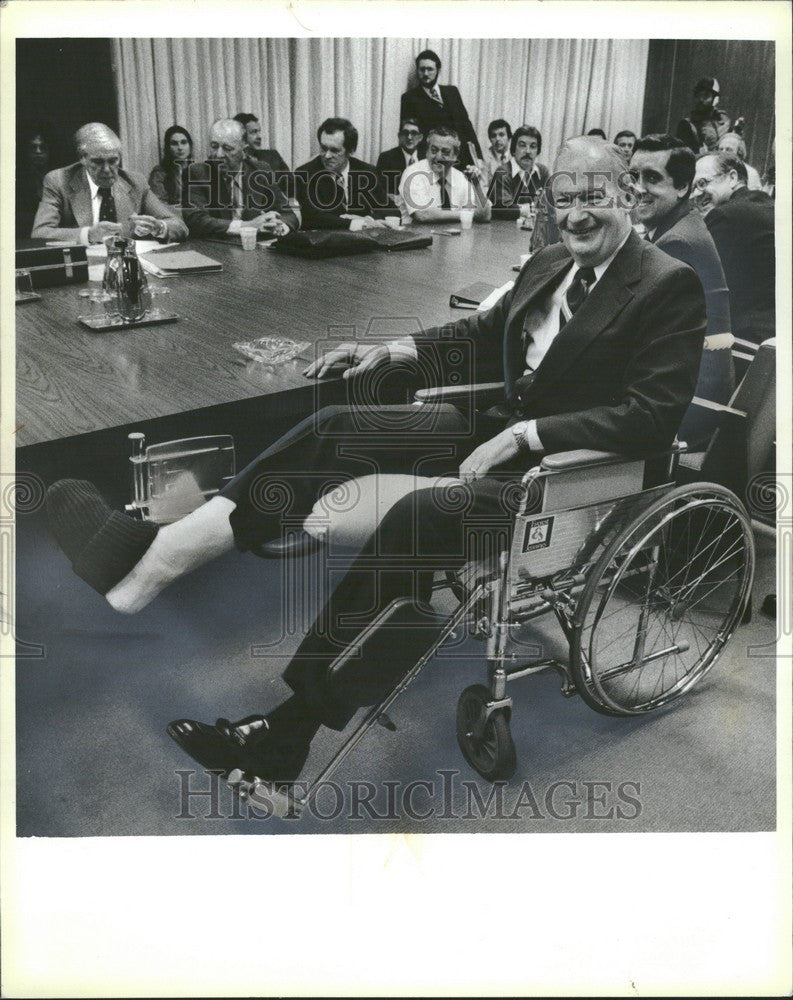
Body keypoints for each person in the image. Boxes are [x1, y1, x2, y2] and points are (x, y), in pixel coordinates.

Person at [46, 137, 706, 788]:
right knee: (339, 426)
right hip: (490, 434)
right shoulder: (551, 262)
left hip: (564, 478)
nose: (578, 214)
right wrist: (397, 351)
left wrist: (525, 436)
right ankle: (159, 556)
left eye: (593, 196)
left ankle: (290, 729)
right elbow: (478, 335)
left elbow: (652, 416)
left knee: (422, 515)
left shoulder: (666, 285)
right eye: (565, 200)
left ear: (626, 193)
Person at [630, 134, 733, 445]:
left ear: (682, 187)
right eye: (633, 176)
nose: (637, 187)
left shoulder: (677, 242)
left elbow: (634, 326)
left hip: (690, 406)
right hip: (690, 385)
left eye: (651, 178)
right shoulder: (679, 226)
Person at [31, 122, 188, 244]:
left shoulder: (135, 183)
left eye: (113, 161)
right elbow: (39, 233)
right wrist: (89, 234)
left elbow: (179, 225)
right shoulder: (59, 181)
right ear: (82, 158)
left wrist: (158, 227)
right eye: (98, 162)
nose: (107, 169)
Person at [693, 150, 775, 343]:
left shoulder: (727, 215)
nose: (696, 194)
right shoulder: (765, 204)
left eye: (703, 183)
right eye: (693, 187)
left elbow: (698, 284)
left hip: (746, 339)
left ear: (732, 177)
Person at [181, 118, 298, 238]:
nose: (219, 154)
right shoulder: (198, 173)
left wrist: (279, 227)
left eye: (227, 148)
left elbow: (289, 216)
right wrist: (249, 225)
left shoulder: (261, 171)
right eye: (214, 146)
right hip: (215, 248)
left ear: (245, 151)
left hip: (253, 248)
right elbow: (196, 220)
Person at [293, 117, 389, 230]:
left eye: (334, 150)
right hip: (323, 242)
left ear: (351, 150)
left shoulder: (367, 171)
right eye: (323, 148)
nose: (327, 156)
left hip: (363, 241)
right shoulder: (304, 174)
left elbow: (389, 209)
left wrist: (368, 219)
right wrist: (356, 223)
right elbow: (313, 217)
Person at [400, 49, 482, 168]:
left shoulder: (452, 92)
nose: (426, 73)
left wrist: (477, 157)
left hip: (462, 160)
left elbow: (466, 125)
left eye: (430, 69)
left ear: (438, 70)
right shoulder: (409, 98)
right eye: (422, 69)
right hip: (433, 162)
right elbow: (409, 134)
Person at [398, 125, 491, 224]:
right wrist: (465, 214)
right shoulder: (413, 173)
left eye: (445, 152)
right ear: (427, 152)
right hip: (417, 237)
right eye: (434, 150)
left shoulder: (461, 177)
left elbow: (485, 216)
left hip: (454, 237)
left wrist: (476, 184)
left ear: (455, 155)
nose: (438, 157)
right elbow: (422, 214)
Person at [489, 125, 549, 214]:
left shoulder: (543, 172)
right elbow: (504, 208)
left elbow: (552, 203)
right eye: (522, 145)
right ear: (513, 149)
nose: (528, 151)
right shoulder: (502, 172)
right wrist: (535, 208)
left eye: (533, 146)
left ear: (538, 151)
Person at [677, 77, 732, 154]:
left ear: (715, 99)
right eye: (698, 96)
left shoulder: (724, 122)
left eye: (706, 96)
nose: (701, 99)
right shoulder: (686, 125)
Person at [375, 117, 423, 200]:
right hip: (396, 208)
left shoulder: (426, 158)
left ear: (420, 138)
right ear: (399, 136)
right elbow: (380, 190)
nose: (409, 137)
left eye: (414, 133)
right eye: (405, 133)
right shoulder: (387, 158)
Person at [16, 124, 51, 237]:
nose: (38, 151)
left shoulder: (59, 177)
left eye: (43, 147)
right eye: (33, 147)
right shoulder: (18, 181)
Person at [148, 124, 193, 206]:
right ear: (168, 148)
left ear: (190, 146)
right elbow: (159, 206)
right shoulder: (159, 173)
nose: (180, 147)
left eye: (184, 142)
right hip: (174, 216)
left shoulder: (198, 170)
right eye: (174, 143)